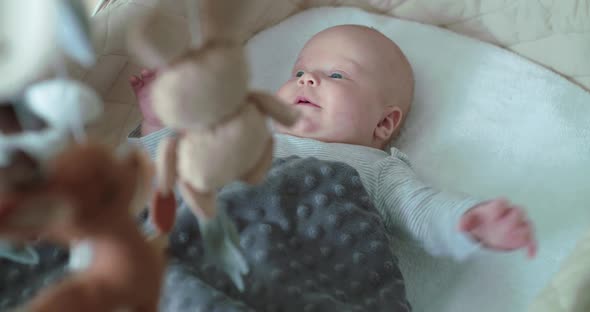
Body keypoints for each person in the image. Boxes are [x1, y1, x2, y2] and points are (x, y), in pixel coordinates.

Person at [129, 24, 537, 261]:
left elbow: (425, 211)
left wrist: (468, 222)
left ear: (383, 124)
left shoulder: (375, 168)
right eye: (300, 70)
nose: (308, 79)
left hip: (292, 266)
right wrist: (157, 124)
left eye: (337, 75)